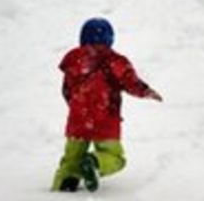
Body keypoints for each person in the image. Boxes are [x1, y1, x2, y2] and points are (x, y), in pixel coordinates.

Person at [51, 18, 163, 192]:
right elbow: (130, 82)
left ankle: (64, 185)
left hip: (78, 120)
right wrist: (145, 91)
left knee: (71, 160)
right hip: (105, 119)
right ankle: (95, 162)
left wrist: (76, 108)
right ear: (110, 38)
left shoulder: (74, 60)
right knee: (115, 157)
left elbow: (67, 90)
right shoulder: (115, 61)